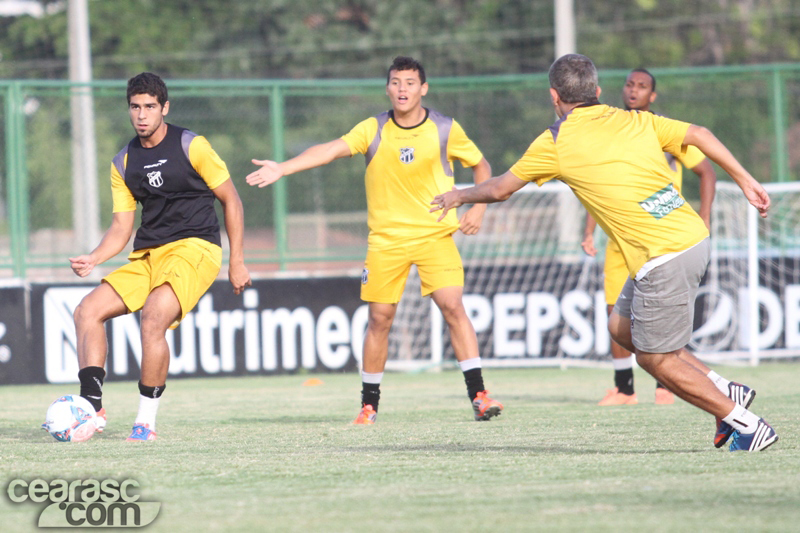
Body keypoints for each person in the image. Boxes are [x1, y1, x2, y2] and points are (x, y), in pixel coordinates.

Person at [432, 54, 778, 452]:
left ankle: (746, 424)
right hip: (687, 240)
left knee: (655, 359)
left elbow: (499, 189)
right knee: (620, 328)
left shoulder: (556, 140)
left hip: (664, 255)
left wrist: (459, 195)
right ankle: (724, 390)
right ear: (597, 90)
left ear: (554, 96)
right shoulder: (636, 119)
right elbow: (700, 133)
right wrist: (746, 179)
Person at [246, 56, 503, 424]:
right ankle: (369, 406)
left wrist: (477, 208)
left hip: (434, 236)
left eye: (410, 83)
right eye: (396, 82)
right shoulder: (373, 128)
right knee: (380, 320)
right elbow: (330, 150)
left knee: (453, 306)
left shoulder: (445, 128)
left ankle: (479, 396)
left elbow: (481, 165)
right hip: (386, 241)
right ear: (387, 89)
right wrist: (283, 168)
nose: (402, 89)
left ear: (423, 88)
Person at [70, 72, 252, 441]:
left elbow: (231, 200)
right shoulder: (123, 162)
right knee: (86, 311)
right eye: (135, 107)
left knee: (153, 316)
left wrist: (237, 261)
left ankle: (145, 423)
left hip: (195, 248)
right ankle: (92, 406)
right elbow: (121, 227)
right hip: (148, 255)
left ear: (164, 108)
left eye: (150, 107)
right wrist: (95, 257)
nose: (142, 115)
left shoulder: (192, 145)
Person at [581, 68, 720, 407]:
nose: (634, 91)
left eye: (642, 86)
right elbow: (597, 184)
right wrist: (588, 232)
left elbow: (706, 171)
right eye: (629, 84)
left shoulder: (661, 129)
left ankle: (666, 384)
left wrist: (704, 216)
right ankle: (624, 388)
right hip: (620, 239)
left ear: (652, 96)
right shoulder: (612, 129)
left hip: (661, 239)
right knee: (615, 315)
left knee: (661, 318)